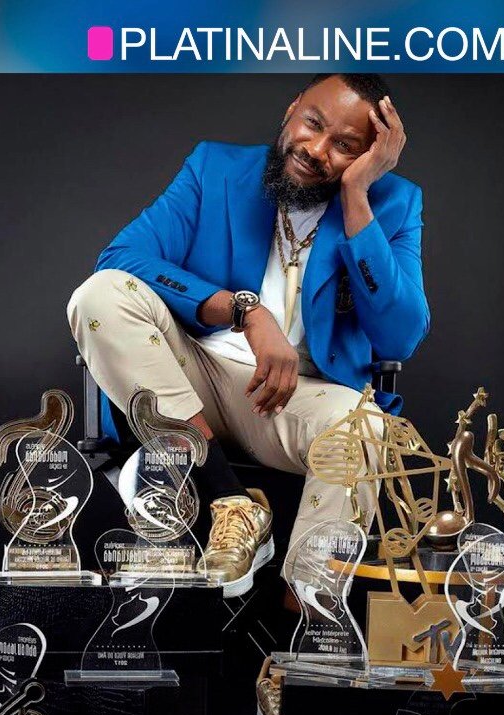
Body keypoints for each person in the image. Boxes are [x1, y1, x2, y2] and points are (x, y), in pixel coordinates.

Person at [68, 74, 429, 596]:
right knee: (100, 294)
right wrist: (245, 312)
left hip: (295, 401)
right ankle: (231, 502)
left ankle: (311, 617)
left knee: (365, 430)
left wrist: (357, 199)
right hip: (188, 378)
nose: (316, 149)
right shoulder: (215, 169)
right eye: (313, 124)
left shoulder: (393, 203)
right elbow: (122, 257)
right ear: (292, 109)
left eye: (345, 147)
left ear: (371, 156)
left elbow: (400, 338)